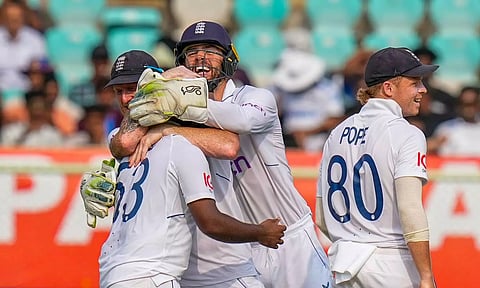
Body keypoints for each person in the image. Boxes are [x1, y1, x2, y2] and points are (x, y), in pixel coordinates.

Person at [125, 21, 333, 288]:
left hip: (289, 237)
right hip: (243, 245)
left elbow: (242, 122)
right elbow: (126, 141)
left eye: (211, 50)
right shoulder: (177, 116)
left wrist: (171, 120)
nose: (201, 57)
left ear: (229, 58)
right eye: (192, 51)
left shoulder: (257, 98)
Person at [81, 49, 285, 288]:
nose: (126, 99)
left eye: (133, 89)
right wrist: (260, 233)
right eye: (119, 92)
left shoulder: (143, 144)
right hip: (154, 276)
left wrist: (166, 126)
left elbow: (228, 146)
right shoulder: (176, 146)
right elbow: (210, 221)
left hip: (116, 273)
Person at [316, 47, 437, 288]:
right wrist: (425, 276)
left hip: (343, 265)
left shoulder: (337, 133)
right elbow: (410, 208)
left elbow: (321, 217)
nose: (423, 89)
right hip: (392, 263)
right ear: (389, 88)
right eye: (415, 83)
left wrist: (353, 241)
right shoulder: (408, 134)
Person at [427, 85, 480, 156]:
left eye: (473, 103)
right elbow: (429, 149)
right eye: (464, 104)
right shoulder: (447, 128)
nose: (469, 108)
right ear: (459, 105)